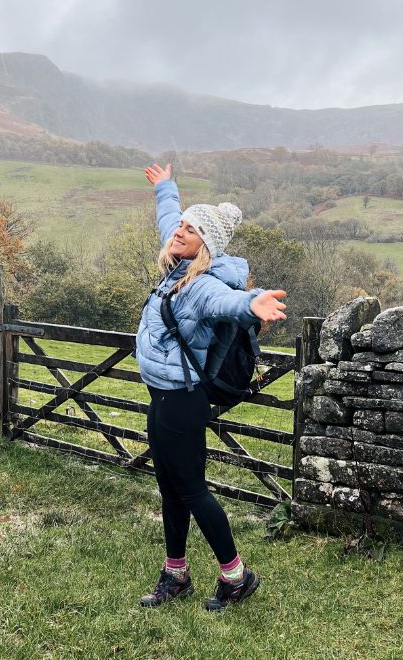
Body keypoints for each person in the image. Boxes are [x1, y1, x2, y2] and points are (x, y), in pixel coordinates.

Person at [132, 162, 287, 610]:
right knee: (169, 488)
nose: (180, 232)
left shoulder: (201, 285)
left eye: (191, 230)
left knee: (193, 489)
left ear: (207, 246)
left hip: (182, 402)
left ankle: (236, 577)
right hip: (161, 398)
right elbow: (169, 219)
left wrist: (251, 303)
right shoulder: (176, 262)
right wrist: (166, 189)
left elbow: (226, 302)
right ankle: (175, 573)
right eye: (182, 225)